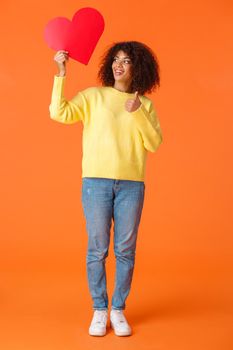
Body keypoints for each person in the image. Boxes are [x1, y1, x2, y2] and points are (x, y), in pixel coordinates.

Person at [49, 41, 163, 337]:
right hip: (95, 183)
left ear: (138, 68)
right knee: (97, 250)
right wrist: (61, 73)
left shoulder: (145, 104)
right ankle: (99, 309)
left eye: (126, 61)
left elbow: (154, 143)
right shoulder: (93, 97)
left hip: (131, 185)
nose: (119, 65)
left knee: (125, 251)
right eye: (116, 59)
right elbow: (58, 113)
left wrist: (137, 112)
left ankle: (118, 309)